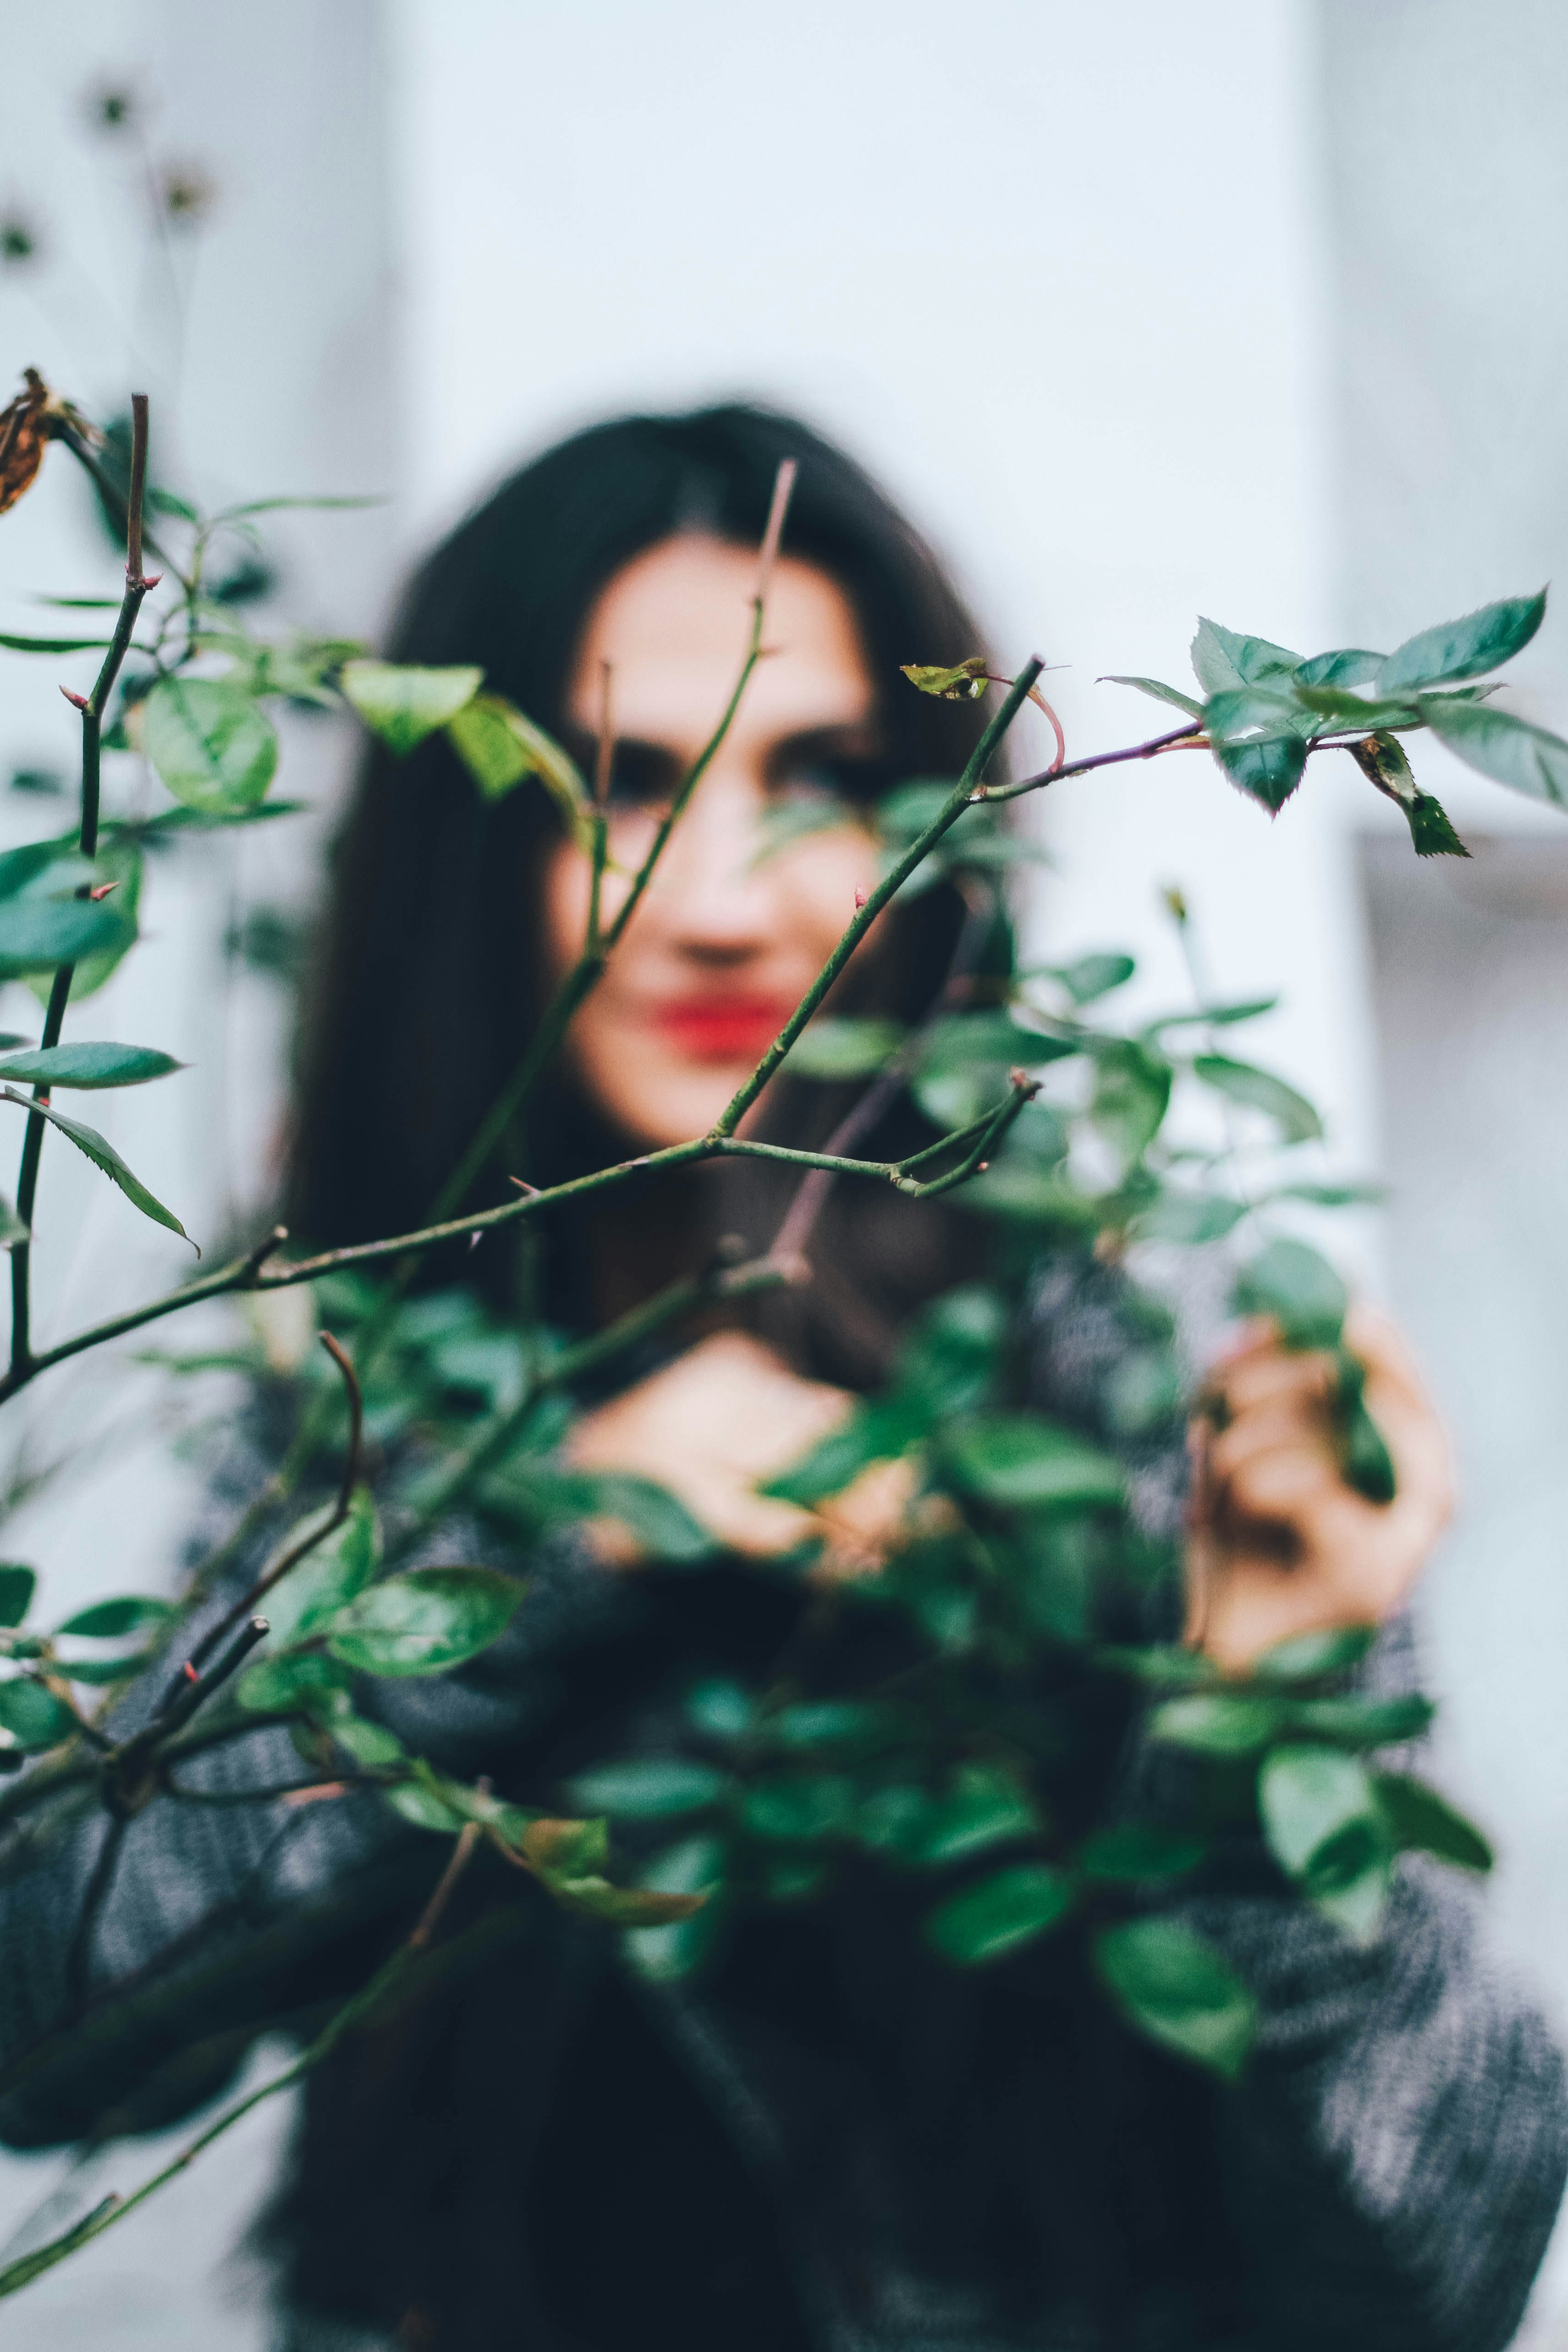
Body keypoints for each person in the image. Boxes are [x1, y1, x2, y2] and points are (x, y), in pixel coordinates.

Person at [0, 404, 1562, 2352]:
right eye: (627, 781)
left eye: (818, 776)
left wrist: (1266, 1703)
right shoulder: (369, 1368)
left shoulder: (1132, 1375)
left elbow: (1444, 2268)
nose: (729, 896)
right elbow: (48, 2019)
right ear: (470, 839)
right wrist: (543, 1531)